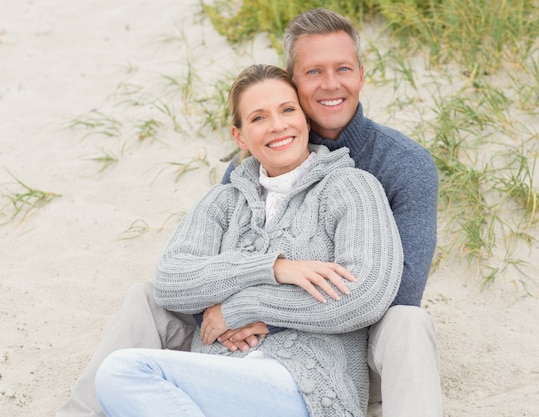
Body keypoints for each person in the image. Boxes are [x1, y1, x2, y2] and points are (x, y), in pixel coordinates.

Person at [57, 8, 441, 417]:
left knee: (409, 322)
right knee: (147, 298)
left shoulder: (389, 172)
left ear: (361, 74)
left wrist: (249, 311)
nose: (331, 84)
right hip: (236, 359)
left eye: (343, 68)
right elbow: (184, 274)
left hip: (345, 351)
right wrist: (275, 268)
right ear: (292, 84)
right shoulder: (239, 183)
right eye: (313, 72)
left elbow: (384, 295)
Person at [95, 63, 404, 417]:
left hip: (307, 388)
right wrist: (273, 268)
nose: (277, 125)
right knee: (122, 383)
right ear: (240, 137)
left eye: (287, 110)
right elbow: (171, 281)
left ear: (305, 119)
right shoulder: (222, 202)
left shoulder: (352, 187)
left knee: (124, 372)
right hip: (216, 381)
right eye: (258, 118)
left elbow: (365, 295)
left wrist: (241, 308)